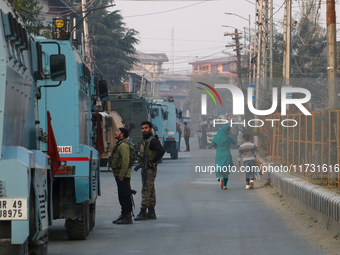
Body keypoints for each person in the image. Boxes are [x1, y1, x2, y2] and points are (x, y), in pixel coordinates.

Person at [134, 121, 165, 221]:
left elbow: (161, 150)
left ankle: (143, 212)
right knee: (151, 190)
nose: (144, 130)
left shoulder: (152, 140)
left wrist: (154, 161)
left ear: (151, 129)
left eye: (146, 128)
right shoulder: (146, 140)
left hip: (149, 169)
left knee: (146, 190)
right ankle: (151, 212)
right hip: (146, 168)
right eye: (143, 128)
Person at [110, 128, 133, 224]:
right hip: (119, 174)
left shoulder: (123, 146)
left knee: (125, 195)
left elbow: (125, 161)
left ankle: (127, 216)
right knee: (122, 195)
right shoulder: (120, 144)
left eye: (118, 131)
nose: (115, 132)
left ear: (122, 134)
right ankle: (124, 214)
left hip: (122, 175)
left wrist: (122, 174)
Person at [211, 125, 236, 189]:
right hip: (227, 154)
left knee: (218, 167)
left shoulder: (217, 136)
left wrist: (218, 146)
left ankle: (220, 177)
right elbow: (234, 142)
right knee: (226, 169)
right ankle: (224, 185)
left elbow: (212, 144)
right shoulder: (228, 137)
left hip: (219, 154)